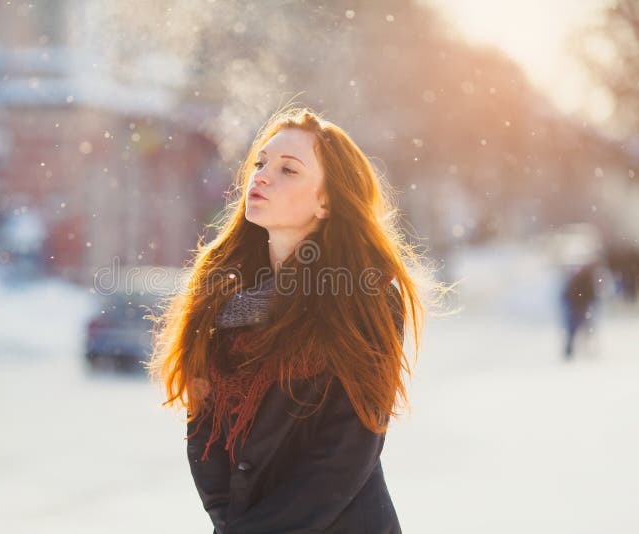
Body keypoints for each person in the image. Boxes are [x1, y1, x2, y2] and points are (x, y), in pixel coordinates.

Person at [148, 105, 439, 533]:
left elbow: (344, 454)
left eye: (289, 170)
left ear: (326, 202)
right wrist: (230, 521)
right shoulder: (222, 296)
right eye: (261, 163)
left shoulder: (363, 296)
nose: (261, 176)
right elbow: (205, 434)